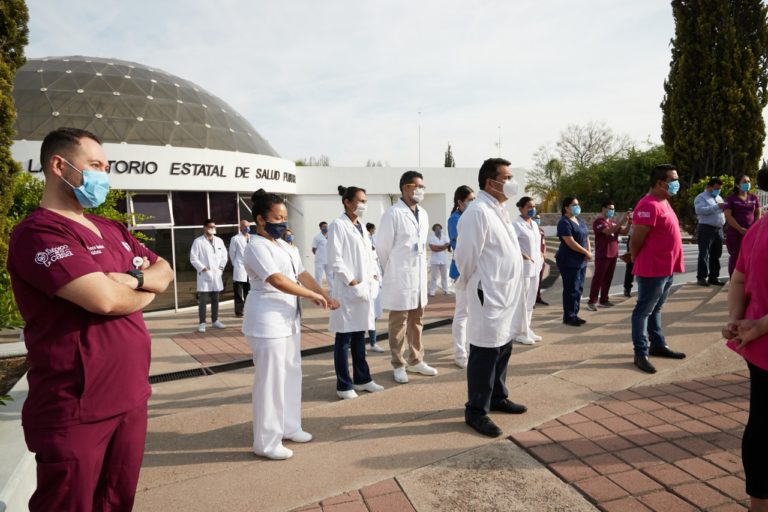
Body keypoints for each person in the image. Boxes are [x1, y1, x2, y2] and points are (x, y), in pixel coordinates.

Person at [6, 127, 174, 511]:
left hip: (130, 397)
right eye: (95, 165)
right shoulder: (40, 233)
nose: (103, 175)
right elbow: (103, 300)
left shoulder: (112, 229)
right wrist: (145, 288)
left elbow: (162, 269)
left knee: (117, 502)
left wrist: (134, 280)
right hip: (76, 409)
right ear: (59, 165)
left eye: (106, 167)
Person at [242, 189, 337, 460]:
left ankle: (290, 425)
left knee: (291, 373)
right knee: (270, 381)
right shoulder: (256, 246)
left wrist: (324, 294)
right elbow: (277, 280)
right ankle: (266, 441)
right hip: (267, 319)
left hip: (289, 319)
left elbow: (301, 273)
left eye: (284, 217)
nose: (282, 223)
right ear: (260, 219)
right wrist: (312, 296)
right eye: (276, 217)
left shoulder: (284, 245)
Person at [455, 158, 528, 438]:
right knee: (485, 351)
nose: (511, 182)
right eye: (507, 177)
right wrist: (476, 284)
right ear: (490, 182)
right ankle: (476, 410)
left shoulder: (498, 208)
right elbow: (465, 256)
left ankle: (497, 396)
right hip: (489, 292)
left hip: (505, 292)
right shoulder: (478, 211)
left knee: (503, 346)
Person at [722, 166, 768, 512]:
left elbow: (737, 279)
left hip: (758, 346)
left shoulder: (757, 229)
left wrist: (737, 321)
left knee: (761, 425)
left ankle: (758, 502)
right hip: (760, 335)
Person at [377, 170, 438, 383]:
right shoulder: (392, 213)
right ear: (405, 187)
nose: (420, 190)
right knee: (398, 322)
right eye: (417, 186)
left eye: (422, 187)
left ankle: (416, 360)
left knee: (417, 320)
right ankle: (398, 363)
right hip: (400, 275)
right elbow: (383, 248)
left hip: (419, 274)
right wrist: (392, 268)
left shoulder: (423, 213)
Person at [327, 185, 385, 399]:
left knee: (360, 335)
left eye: (365, 201)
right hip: (347, 291)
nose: (363, 205)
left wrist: (374, 277)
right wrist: (352, 282)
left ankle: (363, 379)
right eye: (360, 201)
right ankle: (344, 385)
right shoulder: (338, 225)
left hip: (364, 289)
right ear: (347, 202)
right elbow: (335, 259)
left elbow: (369, 255)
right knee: (343, 339)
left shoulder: (360, 226)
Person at [629, 164, 687, 374]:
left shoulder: (664, 202)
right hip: (653, 268)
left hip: (667, 266)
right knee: (643, 311)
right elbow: (636, 239)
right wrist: (635, 257)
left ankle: (657, 344)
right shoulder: (648, 205)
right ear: (661, 183)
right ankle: (640, 352)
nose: (677, 183)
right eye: (674, 179)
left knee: (656, 308)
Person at [448, 185, 476, 368]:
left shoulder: (472, 217)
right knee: (462, 314)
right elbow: (460, 247)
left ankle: (468, 347)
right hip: (461, 271)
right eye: (470, 200)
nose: (473, 203)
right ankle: (460, 353)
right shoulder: (455, 219)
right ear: (460, 202)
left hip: (474, 270)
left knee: (472, 314)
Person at [587, 201, 630, 311]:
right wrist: (622, 221)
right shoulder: (598, 222)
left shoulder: (613, 222)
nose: (612, 211)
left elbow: (624, 232)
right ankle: (592, 302)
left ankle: (604, 300)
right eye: (609, 208)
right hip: (603, 254)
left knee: (608, 279)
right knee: (598, 279)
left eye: (613, 209)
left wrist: (629, 223)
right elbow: (607, 231)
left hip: (613, 254)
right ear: (603, 209)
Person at [512, 196, 544, 345]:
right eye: (529, 207)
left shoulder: (534, 224)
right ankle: (519, 332)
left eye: (534, 206)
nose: (532, 209)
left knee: (531, 301)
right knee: (522, 301)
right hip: (524, 268)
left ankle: (527, 328)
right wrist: (522, 255)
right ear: (521, 208)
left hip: (536, 267)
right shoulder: (516, 225)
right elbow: (510, 245)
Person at [556, 197, 592, 326]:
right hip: (569, 260)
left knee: (579, 288)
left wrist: (588, 250)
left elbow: (586, 236)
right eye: (574, 205)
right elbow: (570, 243)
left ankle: (575, 314)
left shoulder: (579, 220)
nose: (577, 206)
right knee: (571, 288)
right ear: (566, 207)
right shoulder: (564, 222)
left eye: (578, 204)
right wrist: (586, 252)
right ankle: (569, 316)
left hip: (581, 259)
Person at [190, 219, 228, 332]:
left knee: (216, 299)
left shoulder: (219, 241)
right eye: (210, 227)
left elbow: (224, 256)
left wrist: (220, 268)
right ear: (205, 227)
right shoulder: (198, 241)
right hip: (204, 276)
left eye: (214, 226)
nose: (212, 229)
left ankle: (215, 321)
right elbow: (193, 258)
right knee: (203, 300)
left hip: (217, 274)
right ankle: (202, 323)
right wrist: (204, 269)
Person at [724, 174, 762, 276]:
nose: (747, 184)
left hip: (751, 233)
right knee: (735, 257)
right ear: (737, 185)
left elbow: (758, 213)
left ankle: (748, 281)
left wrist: (754, 228)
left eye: (749, 181)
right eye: (744, 182)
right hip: (735, 234)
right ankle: (733, 281)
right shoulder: (731, 198)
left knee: (751, 256)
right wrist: (740, 229)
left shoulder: (753, 197)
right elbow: (728, 215)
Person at [694, 177, 726, 287]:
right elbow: (699, 210)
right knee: (704, 254)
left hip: (719, 229)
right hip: (706, 228)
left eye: (720, 189)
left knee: (716, 254)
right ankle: (702, 277)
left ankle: (713, 277)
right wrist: (717, 206)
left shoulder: (719, 197)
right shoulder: (701, 197)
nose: (718, 191)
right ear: (709, 187)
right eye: (716, 188)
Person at [365, 222, 385, 353]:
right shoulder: (362, 253)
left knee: (373, 317)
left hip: (376, 288)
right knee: (363, 318)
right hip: (365, 289)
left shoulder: (373, 251)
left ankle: (373, 343)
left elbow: (377, 267)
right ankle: (359, 344)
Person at [229, 219, 251, 317]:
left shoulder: (252, 238)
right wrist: (236, 264)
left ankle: (248, 309)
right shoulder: (235, 238)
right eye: (245, 226)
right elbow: (232, 253)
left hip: (249, 268)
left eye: (248, 226)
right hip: (239, 267)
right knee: (238, 291)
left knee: (249, 291)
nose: (247, 228)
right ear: (240, 227)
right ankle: (238, 311)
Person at [428, 223, 451, 296]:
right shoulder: (431, 238)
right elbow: (433, 248)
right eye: (436, 229)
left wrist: (438, 247)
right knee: (434, 277)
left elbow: (447, 246)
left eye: (439, 228)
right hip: (435, 261)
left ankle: (446, 290)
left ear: (441, 229)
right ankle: (432, 291)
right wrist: (442, 247)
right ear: (434, 230)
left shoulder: (445, 237)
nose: (438, 230)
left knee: (444, 276)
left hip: (443, 260)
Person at [534, 214, 550, 306]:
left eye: (539, 219)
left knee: (539, 279)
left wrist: (545, 253)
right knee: (533, 280)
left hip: (541, 259)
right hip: (533, 259)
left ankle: (538, 297)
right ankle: (530, 300)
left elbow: (544, 243)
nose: (538, 220)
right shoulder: (531, 229)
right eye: (536, 218)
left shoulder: (541, 231)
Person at [312, 221, 330, 285]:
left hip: (329, 260)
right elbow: (314, 249)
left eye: (326, 226)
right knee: (318, 277)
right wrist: (320, 255)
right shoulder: (317, 237)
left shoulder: (331, 236)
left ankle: (332, 291)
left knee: (330, 277)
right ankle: (318, 291)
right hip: (320, 261)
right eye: (324, 227)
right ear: (320, 228)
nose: (326, 228)